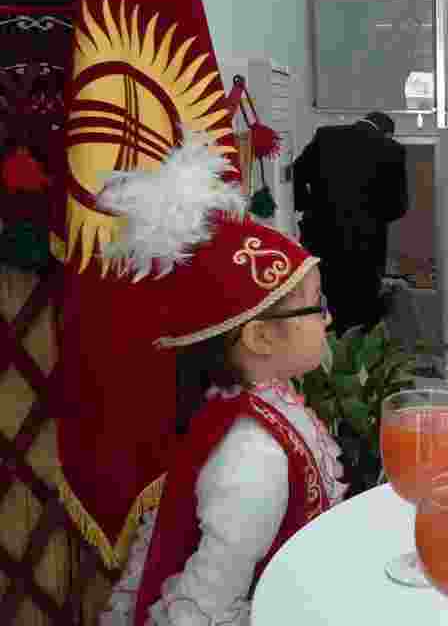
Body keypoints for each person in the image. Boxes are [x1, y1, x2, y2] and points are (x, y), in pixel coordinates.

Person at [98, 133, 346, 625]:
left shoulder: (263, 399)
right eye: (316, 306)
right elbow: (205, 607)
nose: (329, 317)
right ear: (260, 337)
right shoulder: (253, 456)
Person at [294, 111, 408, 334]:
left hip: (321, 235)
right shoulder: (392, 149)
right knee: (360, 303)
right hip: (365, 243)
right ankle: (354, 350)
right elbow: (398, 206)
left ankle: (322, 344)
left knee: (322, 293)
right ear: (387, 132)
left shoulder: (326, 136)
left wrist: (307, 204)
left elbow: (298, 172)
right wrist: (372, 218)